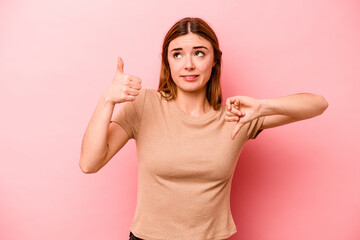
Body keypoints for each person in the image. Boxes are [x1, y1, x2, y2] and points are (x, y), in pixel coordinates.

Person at [79, 17, 328, 240]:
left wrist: (263, 106)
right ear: (167, 62)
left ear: (215, 61)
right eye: (177, 54)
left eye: (199, 53)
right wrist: (107, 100)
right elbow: (89, 164)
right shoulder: (144, 105)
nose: (188, 64)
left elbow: (318, 104)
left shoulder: (236, 116)